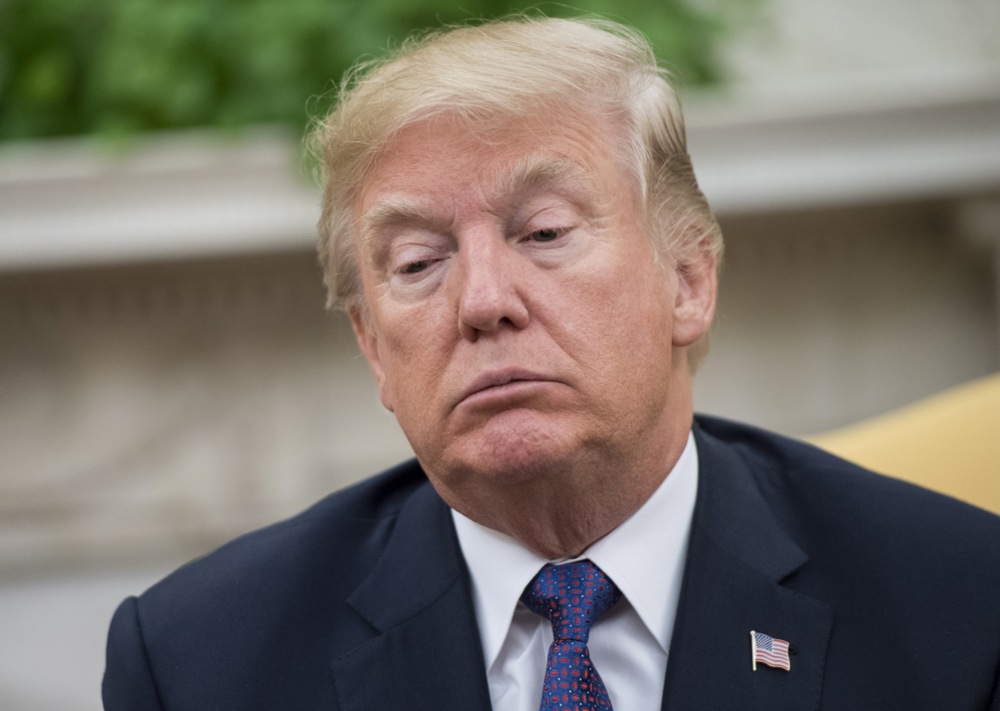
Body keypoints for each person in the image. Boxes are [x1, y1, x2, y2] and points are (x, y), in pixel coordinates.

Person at [103, 17, 1000, 710]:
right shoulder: (199, 661)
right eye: (418, 263)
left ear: (686, 280)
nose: (483, 300)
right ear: (373, 347)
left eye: (543, 232)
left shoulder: (961, 605)